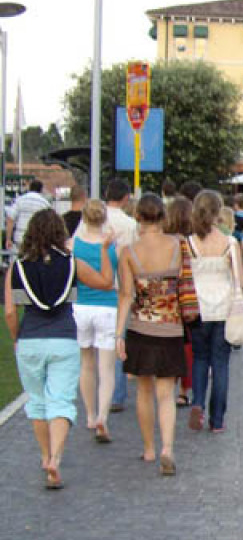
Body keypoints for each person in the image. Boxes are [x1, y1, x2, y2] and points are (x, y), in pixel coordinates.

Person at [5, 208, 114, 489]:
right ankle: (56, 457)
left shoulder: (18, 267)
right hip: (64, 338)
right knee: (62, 400)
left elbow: (10, 311)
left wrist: (17, 337)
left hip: (30, 337)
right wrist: (104, 250)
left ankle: (44, 456)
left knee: (37, 402)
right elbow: (105, 282)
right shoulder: (71, 263)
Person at [114, 193, 186, 476]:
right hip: (171, 326)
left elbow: (125, 296)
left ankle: (149, 448)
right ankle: (168, 448)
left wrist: (118, 335)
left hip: (140, 327)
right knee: (166, 393)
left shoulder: (129, 252)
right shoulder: (178, 246)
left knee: (144, 390)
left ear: (139, 218)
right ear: (163, 217)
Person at [186, 190, 243, 434]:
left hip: (197, 307)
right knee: (221, 364)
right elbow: (238, 278)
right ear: (219, 212)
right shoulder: (229, 243)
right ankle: (217, 420)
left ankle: (197, 401)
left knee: (200, 358)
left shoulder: (189, 243)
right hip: (224, 308)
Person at [72, 200, 120, 443]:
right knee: (107, 368)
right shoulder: (112, 246)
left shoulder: (73, 245)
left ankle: (90, 415)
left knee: (86, 364)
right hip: (107, 307)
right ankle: (103, 415)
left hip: (80, 306)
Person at [103, 179, 137, 413]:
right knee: (118, 339)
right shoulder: (129, 224)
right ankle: (116, 394)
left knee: (96, 345)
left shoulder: (93, 218)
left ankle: (101, 391)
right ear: (125, 198)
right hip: (120, 286)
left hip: (92, 287)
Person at [165, 196, 195, 408]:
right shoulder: (191, 242)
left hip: (165, 299)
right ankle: (184, 390)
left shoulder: (164, 241)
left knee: (169, 344)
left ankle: (169, 384)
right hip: (187, 297)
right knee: (187, 345)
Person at [5, 178, 52, 253]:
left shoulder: (19, 200)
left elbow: (10, 218)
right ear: (41, 190)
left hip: (20, 238)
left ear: (30, 188)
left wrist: (8, 239)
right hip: (37, 240)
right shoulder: (45, 203)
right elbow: (49, 224)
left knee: (18, 261)